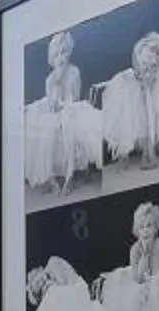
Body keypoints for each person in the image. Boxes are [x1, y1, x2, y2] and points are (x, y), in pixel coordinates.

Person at [21, 31, 105, 191]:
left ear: (69, 52)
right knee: (42, 123)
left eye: (64, 52)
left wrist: (63, 95)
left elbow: (74, 98)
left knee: (68, 120)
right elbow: (52, 105)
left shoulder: (74, 72)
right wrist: (56, 87)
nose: (61, 57)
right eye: (57, 54)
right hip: (55, 111)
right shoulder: (50, 79)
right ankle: (50, 177)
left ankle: (70, 172)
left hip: (71, 108)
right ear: (52, 58)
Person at [99, 29, 159, 169]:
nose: (154, 55)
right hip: (138, 84)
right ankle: (143, 151)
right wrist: (144, 80)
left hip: (155, 86)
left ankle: (150, 151)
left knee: (153, 105)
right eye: (151, 51)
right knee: (140, 107)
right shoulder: (140, 51)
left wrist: (152, 77)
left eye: (156, 52)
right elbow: (138, 72)